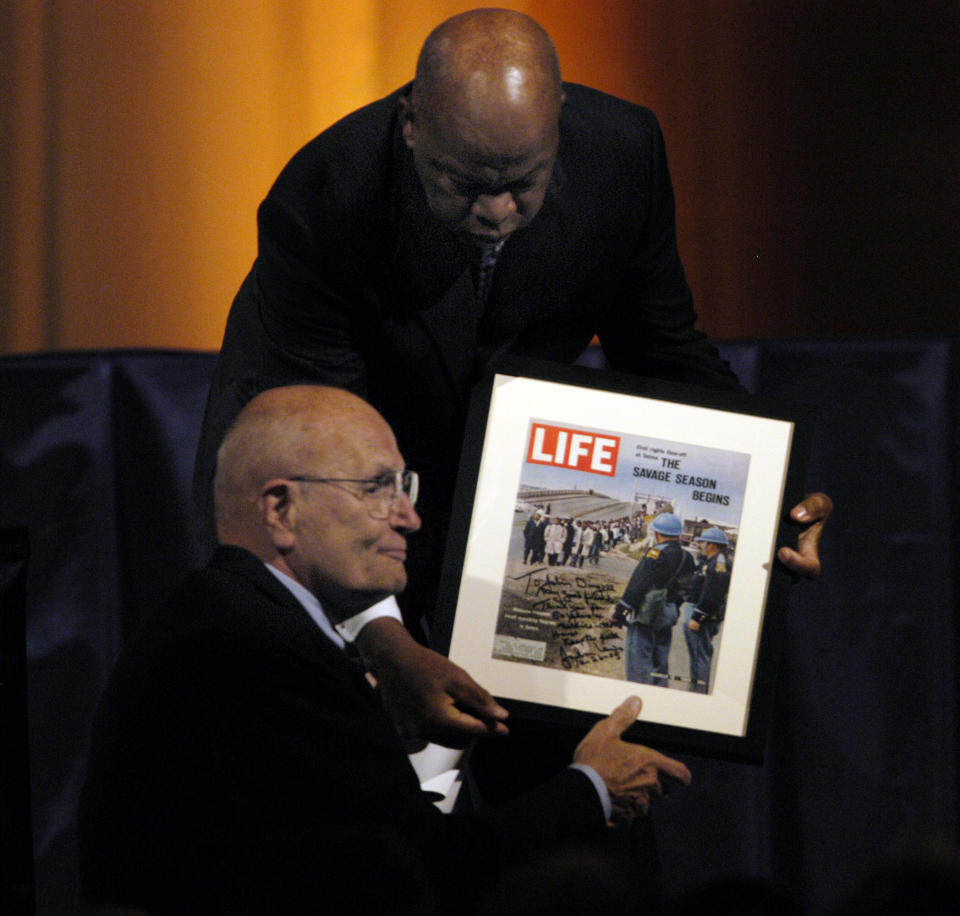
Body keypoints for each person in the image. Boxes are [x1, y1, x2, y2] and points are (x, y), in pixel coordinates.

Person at [192, 8, 832, 744]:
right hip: (332, 495)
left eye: (523, 181)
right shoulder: (325, 197)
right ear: (411, 125)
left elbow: (663, 348)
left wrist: (768, 500)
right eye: (461, 182)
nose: (495, 211)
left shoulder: (623, 154)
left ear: (559, 120)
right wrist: (385, 638)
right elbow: (318, 451)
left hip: (493, 502)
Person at [78, 385, 691, 915]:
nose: (410, 517)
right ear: (281, 510)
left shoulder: (222, 617)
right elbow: (422, 874)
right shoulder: (268, 652)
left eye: (407, 486)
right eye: (377, 488)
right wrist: (592, 788)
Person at [610, 512, 695, 688]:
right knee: (660, 660)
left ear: (657, 533)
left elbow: (638, 584)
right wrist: (673, 605)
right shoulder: (687, 558)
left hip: (648, 612)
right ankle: (658, 694)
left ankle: (638, 697)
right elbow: (687, 589)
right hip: (670, 611)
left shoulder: (656, 553)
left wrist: (621, 611)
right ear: (678, 534)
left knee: (639, 661)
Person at [680, 526, 732, 693]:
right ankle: (696, 689)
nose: (699, 544)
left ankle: (698, 693)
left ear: (712, 545)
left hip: (702, 616)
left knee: (700, 657)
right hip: (697, 611)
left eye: (703, 541)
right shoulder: (710, 560)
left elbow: (713, 593)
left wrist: (698, 617)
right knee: (697, 656)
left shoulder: (719, 562)